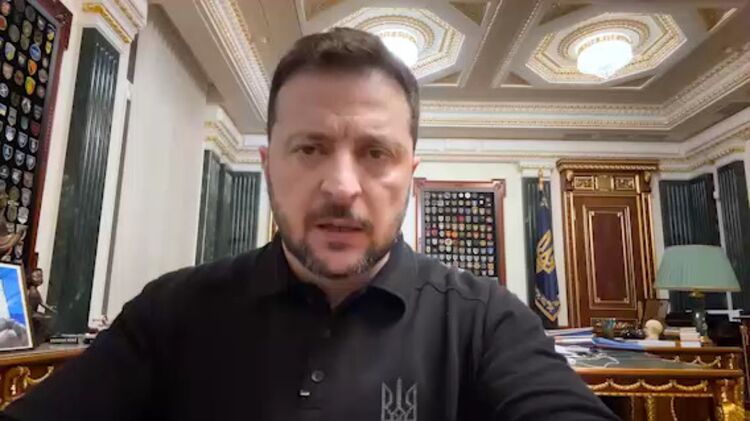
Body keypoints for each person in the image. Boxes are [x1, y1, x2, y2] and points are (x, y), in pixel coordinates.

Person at [2, 28, 617, 420]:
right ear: (269, 164)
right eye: (310, 148)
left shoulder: (486, 321)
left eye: (375, 153)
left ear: (410, 173)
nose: (341, 187)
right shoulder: (171, 314)